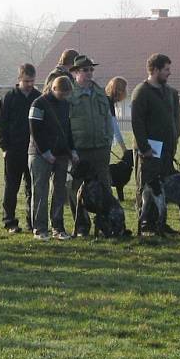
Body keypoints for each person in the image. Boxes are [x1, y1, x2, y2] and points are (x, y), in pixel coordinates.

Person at [131, 54, 180, 234]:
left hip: (166, 151)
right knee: (146, 186)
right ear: (155, 70)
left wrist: (174, 140)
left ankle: (161, 222)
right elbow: (137, 122)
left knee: (163, 187)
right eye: (166, 69)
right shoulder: (141, 92)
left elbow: (176, 118)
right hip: (149, 151)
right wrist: (144, 148)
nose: (170, 73)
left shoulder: (170, 92)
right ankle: (145, 223)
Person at [68, 55, 113, 237]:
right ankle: (81, 226)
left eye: (91, 70)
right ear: (76, 73)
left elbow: (109, 119)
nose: (89, 73)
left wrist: (108, 140)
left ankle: (106, 224)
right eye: (85, 70)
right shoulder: (69, 94)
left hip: (100, 148)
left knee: (104, 185)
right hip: (80, 149)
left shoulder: (101, 93)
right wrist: (70, 149)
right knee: (77, 189)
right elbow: (65, 122)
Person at [28, 76, 78, 240]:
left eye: (67, 94)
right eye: (62, 93)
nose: (64, 97)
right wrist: (45, 152)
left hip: (61, 154)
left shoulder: (65, 104)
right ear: (54, 88)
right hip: (39, 155)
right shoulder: (38, 104)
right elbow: (34, 130)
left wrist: (72, 150)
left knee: (59, 192)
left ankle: (58, 228)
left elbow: (67, 129)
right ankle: (40, 229)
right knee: (40, 191)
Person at [0, 63, 41, 234]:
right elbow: (1, 124)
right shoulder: (9, 98)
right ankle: (10, 222)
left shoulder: (38, 97)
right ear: (19, 79)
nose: (30, 84)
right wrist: (4, 147)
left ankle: (32, 222)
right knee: (11, 188)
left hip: (34, 150)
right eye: (27, 81)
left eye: (32, 81)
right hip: (13, 150)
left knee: (33, 188)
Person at [105, 76, 129, 153]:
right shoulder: (108, 102)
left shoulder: (107, 100)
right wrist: (124, 148)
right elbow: (114, 128)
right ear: (120, 91)